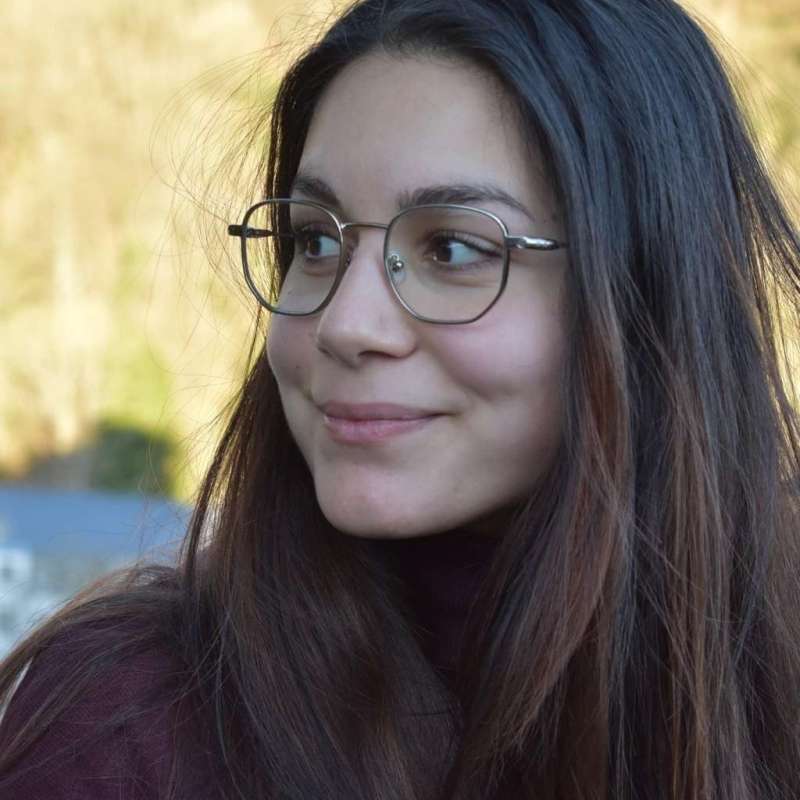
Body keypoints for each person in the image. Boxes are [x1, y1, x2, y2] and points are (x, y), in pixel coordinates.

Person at [1, 0, 799, 797]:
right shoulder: (123, 732)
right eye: (316, 240)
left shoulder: (771, 696)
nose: (345, 325)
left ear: (647, 291)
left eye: (452, 248)